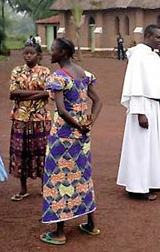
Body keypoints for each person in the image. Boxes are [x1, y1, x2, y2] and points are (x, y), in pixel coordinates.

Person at [40, 38, 103, 245]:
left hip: (63, 136)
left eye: (53, 50)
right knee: (83, 176)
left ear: (64, 53)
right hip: (82, 136)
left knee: (58, 178)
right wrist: (88, 122)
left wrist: (76, 125)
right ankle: (91, 224)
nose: (50, 53)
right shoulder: (84, 74)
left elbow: (61, 110)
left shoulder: (58, 77)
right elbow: (98, 100)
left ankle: (59, 232)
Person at [117, 24, 160, 201]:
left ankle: (153, 181)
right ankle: (137, 188)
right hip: (143, 106)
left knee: (154, 146)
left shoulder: (154, 56)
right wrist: (139, 112)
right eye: (158, 37)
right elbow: (135, 85)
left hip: (155, 106)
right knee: (141, 148)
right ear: (148, 36)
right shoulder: (138, 56)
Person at [9, 43, 50, 201]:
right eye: (25, 53)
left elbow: (48, 93)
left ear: (38, 55)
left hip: (40, 118)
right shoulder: (17, 71)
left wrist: (24, 95)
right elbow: (13, 93)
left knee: (42, 151)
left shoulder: (45, 72)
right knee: (21, 152)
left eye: (31, 53)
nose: (28, 56)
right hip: (20, 118)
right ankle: (23, 188)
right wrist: (38, 93)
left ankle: (44, 186)